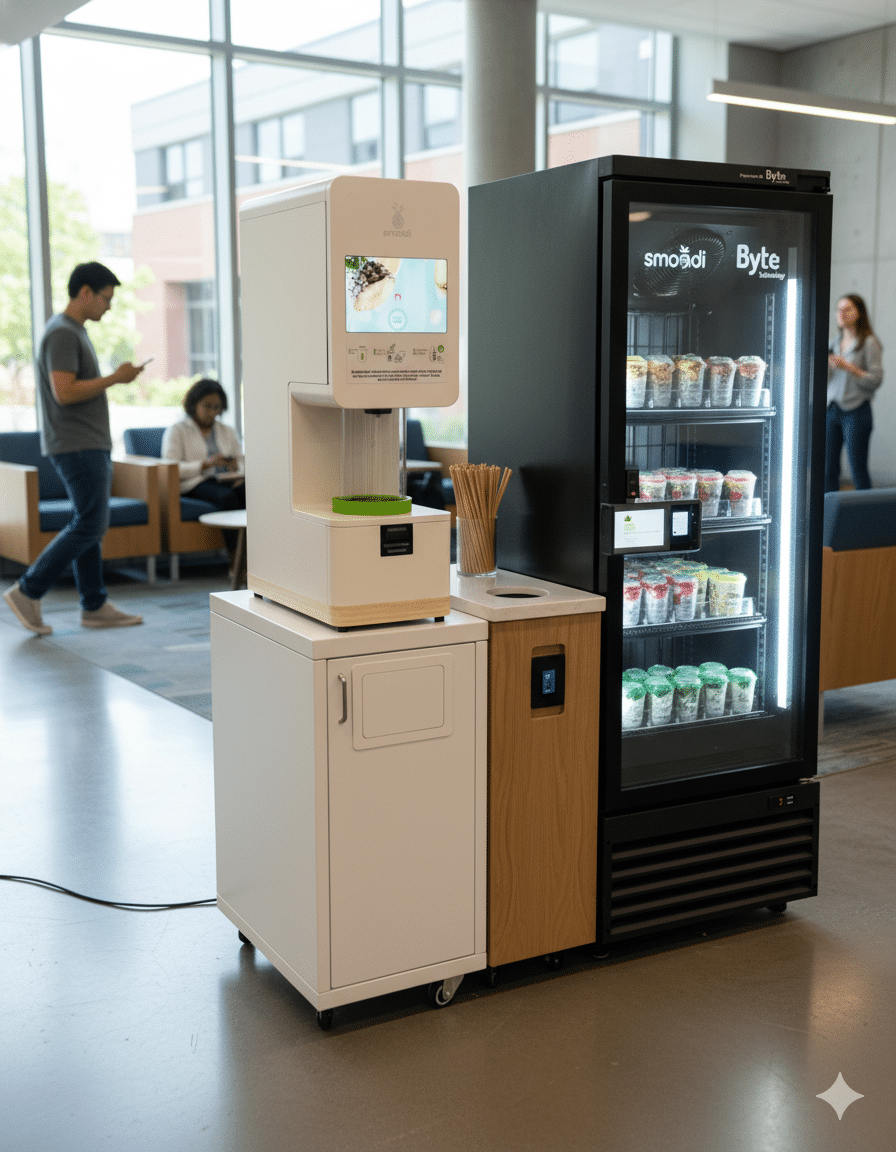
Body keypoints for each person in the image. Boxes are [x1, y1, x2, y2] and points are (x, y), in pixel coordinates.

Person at [4, 262, 146, 636]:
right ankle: (29, 589)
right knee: (89, 524)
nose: (109, 307)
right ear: (85, 292)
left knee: (89, 523)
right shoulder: (63, 334)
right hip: (77, 444)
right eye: (106, 298)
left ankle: (94, 604)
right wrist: (117, 378)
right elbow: (63, 392)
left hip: (84, 442)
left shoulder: (71, 332)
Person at [161, 378, 245, 564]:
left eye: (217, 407)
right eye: (207, 406)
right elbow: (171, 468)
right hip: (194, 482)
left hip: (226, 479)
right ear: (194, 404)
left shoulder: (226, 430)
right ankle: (236, 560)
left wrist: (237, 470)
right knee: (228, 498)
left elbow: (241, 459)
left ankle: (256, 558)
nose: (213, 412)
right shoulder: (177, 431)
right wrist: (205, 464)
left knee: (250, 493)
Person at [825, 294, 883, 493]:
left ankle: (866, 520)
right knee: (827, 469)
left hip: (856, 411)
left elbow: (875, 380)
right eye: (839, 309)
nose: (842, 313)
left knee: (858, 469)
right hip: (832, 409)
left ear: (859, 313)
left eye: (847, 309)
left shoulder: (868, 343)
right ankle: (829, 517)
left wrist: (850, 368)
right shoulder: (833, 343)